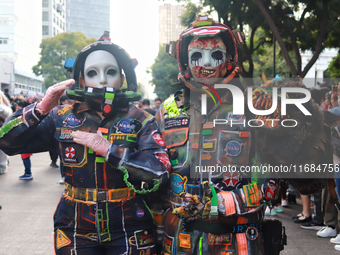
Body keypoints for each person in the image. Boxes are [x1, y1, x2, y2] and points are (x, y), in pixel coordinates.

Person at [0, 37, 169, 254]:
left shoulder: (142, 119)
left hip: (128, 222)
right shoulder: (60, 117)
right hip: (75, 223)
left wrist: (110, 151)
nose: (102, 80)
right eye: (92, 73)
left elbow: (159, 171)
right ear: (81, 78)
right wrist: (39, 109)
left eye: (110, 72)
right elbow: (7, 143)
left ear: (122, 77)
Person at [155, 14, 285, 255]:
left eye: (216, 55)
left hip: (237, 241)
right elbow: (156, 179)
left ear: (229, 59)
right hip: (180, 241)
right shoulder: (168, 110)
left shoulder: (254, 106)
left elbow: (272, 182)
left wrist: (222, 204)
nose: (207, 63)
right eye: (196, 55)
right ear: (184, 61)